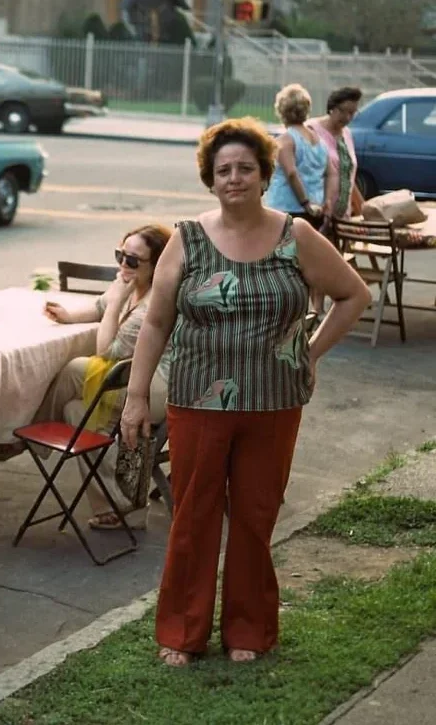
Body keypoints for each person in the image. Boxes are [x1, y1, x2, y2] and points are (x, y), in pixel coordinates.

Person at [119, 117, 370, 667]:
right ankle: (182, 633)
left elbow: (354, 295)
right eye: (223, 169)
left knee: (256, 518)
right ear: (210, 179)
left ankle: (249, 632)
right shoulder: (186, 239)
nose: (234, 178)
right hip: (196, 400)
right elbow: (157, 322)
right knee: (193, 515)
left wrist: (307, 351)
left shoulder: (296, 235)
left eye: (246, 168)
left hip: (274, 403)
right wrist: (136, 397)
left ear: (263, 176)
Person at [31, 224, 172, 530]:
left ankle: (33, 438)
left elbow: (106, 350)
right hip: (127, 378)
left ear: (155, 265)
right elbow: (99, 307)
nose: (124, 264)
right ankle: (121, 506)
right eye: (121, 254)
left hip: (155, 388)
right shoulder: (127, 281)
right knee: (74, 412)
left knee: (75, 368)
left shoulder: (151, 303)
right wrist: (68, 316)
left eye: (134, 260)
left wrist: (118, 301)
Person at [308, 86, 365, 314]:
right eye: (344, 112)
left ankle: (327, 307)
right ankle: (317, 308)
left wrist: (361, 203)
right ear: (332, 108)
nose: (348, 117)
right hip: (321, 209)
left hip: (343, 211)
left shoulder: (347, 134)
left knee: (335, 259)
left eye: (353, 113)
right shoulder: (313, 130)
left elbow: (348, 171)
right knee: (320, 260)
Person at [265, 84, 331, 232]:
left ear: (282, 111)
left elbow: (291, 173)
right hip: (316, 208)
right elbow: (328, 173)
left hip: (287, 208)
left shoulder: (286, 140)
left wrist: (305, 203)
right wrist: (325, 202)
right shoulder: (319, 140)